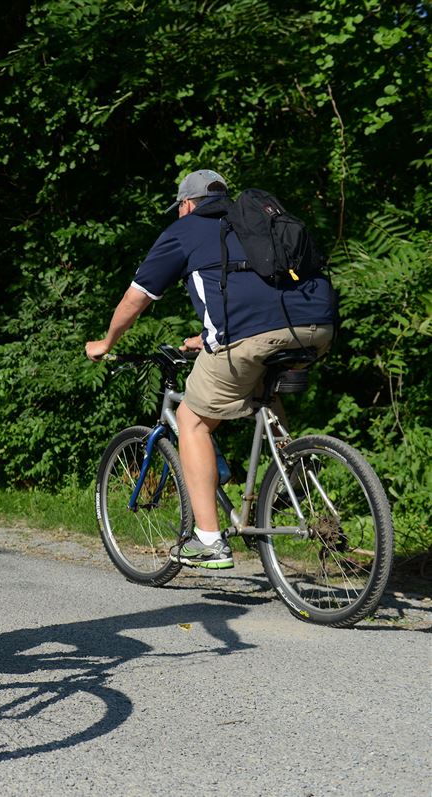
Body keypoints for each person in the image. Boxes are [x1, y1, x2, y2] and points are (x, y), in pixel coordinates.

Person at [85, 169, 336, 569]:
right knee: (261, 390)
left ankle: (209, 540)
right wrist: (207, 337)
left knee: (192, 420)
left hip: (252, 337)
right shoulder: (251, 221)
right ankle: (294, 476)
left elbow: (137, 298)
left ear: (187, 204)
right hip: (316, 326)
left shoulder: (185, 230)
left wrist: (106, 342)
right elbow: (258, 289)